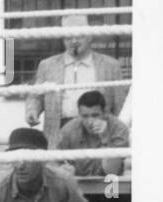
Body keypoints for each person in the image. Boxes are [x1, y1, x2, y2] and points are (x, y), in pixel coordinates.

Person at [56, 90, 131, 202]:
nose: (90, 121)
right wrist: (65, 169)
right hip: (81, 187)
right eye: (85, 116)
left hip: (110, 184)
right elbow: (56, 163)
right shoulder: (69, 130)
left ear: (105, 112)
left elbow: (111, 170)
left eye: (95, 115)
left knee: (128, 201)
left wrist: (105, 138)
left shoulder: (118, 128)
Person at [25, 15, 127, 147]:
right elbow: (36, 96)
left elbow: (121, 106)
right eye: (68, 37)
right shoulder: (47, 65)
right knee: (60, 167)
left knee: (94, 166)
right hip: (59, 132)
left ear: (90, 37)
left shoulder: (110, 65)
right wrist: (32, 111)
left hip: (96, 132)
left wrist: (116, 136)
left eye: (79, 36)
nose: (73, 41)